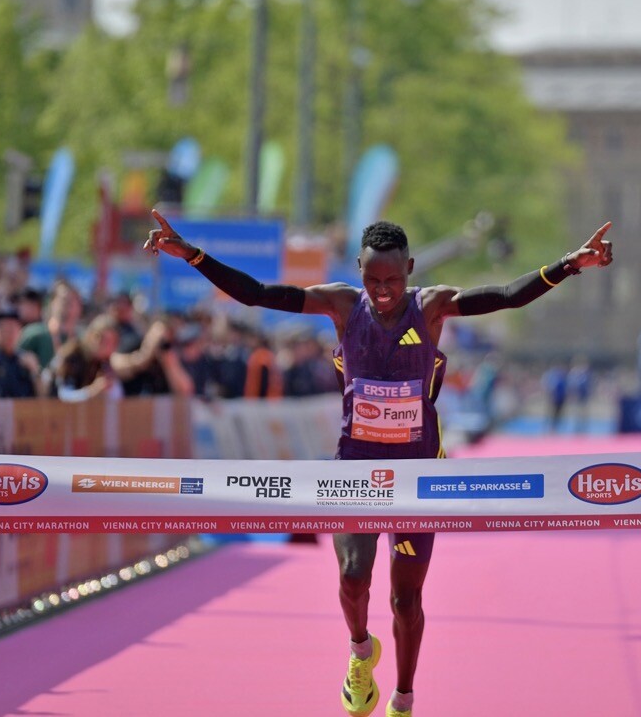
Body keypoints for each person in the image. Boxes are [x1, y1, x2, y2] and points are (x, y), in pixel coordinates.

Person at [145, 210, 613, 717]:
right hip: (356, 467)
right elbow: (257, 293)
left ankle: (404, 698)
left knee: (405, 600)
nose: (383, 291)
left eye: (393, 280)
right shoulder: (342, 304)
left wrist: (570, 264)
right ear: (359, 270)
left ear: (410, 269)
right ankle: (360, 650)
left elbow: (505, 295)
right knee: (352, 577)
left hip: (417, 476)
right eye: (373, 280)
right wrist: (192, 255)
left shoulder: (431, 306)